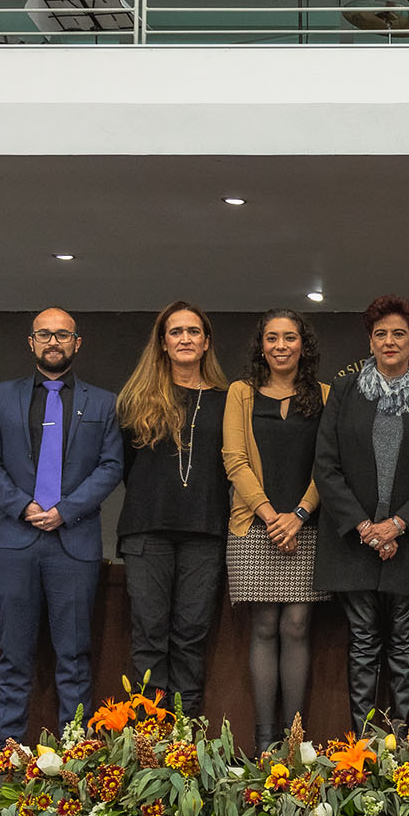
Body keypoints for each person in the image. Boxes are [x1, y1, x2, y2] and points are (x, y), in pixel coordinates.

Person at [0, 307, 123, 744]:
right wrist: (23, 506)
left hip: (73, 542)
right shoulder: (3, 396)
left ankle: (75, 750)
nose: (53, 341)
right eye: (45, 335)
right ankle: (9, 749)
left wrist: (65, 509)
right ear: (31, 342)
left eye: (63, 335)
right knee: (13, 653)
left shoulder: (103, 402)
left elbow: (111, 466)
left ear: (77, 343)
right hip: (15, 542)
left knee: (74, 655)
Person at [313, 295, 409, 734]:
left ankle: (400, 748)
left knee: (404, 644)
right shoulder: (344, 390)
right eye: (380, 334)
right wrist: (364, 527)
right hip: (352, 543)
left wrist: (396, 525)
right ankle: (364, 750)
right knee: (361, 643)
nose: (389, 341)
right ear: (370, 341)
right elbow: (326, 464)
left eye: (399, 334)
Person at [223, 309, 332, 748]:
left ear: (303, 345)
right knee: (264, 625)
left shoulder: (326, 394)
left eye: (290, 337)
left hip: (307, 527)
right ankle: (265, 743)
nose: (281, 346)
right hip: (254, 527)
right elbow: (234, 459)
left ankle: (296, 740)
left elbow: (330, 463)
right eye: (272, 338)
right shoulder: (241, 392)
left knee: (298, 625)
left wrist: (300, 513)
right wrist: (270, 515)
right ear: (261, 345)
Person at [115, 301, 229, 718]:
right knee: (149, 635)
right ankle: (149, 736)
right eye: (176, 331)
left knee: (190, 636)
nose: (185, 338)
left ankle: (186, 738)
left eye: (193, 332)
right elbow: (125, 466)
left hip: (205, 530)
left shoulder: (228, 399)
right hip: (147, 529)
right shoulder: (136, 398)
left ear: (206, 342)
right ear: (163, 343)